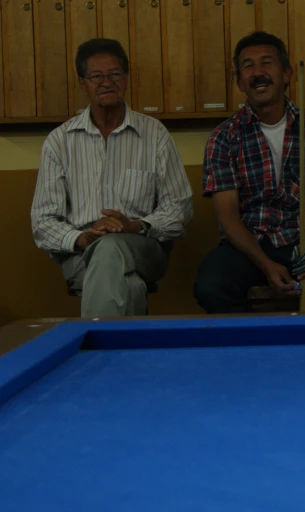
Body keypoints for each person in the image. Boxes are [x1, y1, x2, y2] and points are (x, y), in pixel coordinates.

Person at [193, 31, 305, 313]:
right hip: (247, 246)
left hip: (302, 241)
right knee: (211, 286)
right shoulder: (224, 137)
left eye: (266, 63)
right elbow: (227, 216)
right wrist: (265, 263)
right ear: (240, 82)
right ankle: (251, 351)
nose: (258, 73)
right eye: (248, 66)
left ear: (287, 74)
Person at [30, 38, 193, 318]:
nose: (107, 82)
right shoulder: (59, 142)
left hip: (142, 248)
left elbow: (180, 209)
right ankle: (126, 355)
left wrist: (135, 225)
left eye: (115, 74)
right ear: (83, 84)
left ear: (126, 79)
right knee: (128, 287)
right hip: (80, 255)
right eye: (96, 76)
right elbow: (42, 221)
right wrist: (82, 237)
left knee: (111, 246)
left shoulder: (154, 135)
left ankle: (95, 349)